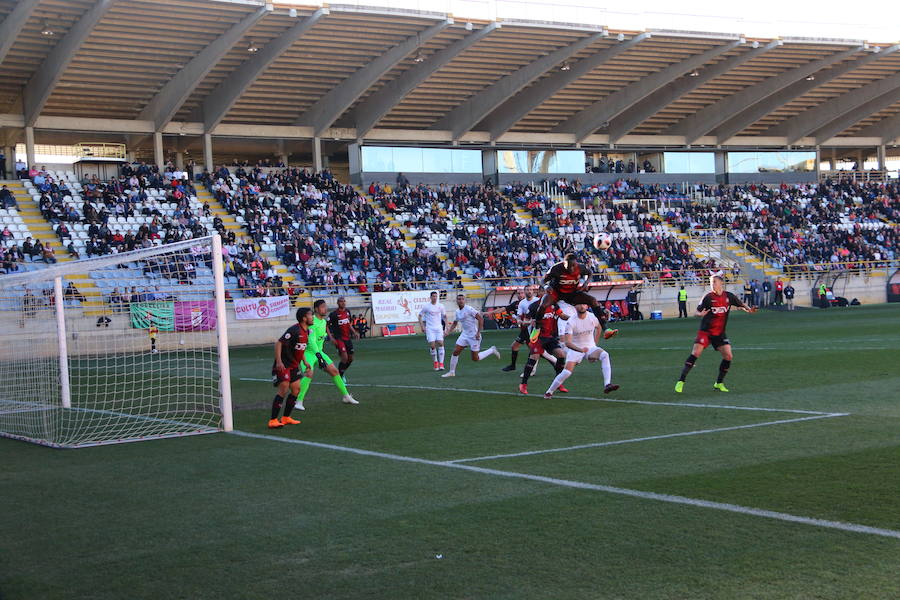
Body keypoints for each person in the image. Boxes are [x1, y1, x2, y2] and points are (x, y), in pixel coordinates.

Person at [675, 275, 757, 394]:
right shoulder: (708, 297)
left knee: (728, 356)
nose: (712, 284)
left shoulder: (729, 296)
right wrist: (699, 314)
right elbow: (697, 311)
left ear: (721, 284)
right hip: (706, 331)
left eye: (714, 282)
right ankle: (681, 381)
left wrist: (749, 309)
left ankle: (719, 383)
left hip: (719, 333)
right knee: (696, 353)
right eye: (711, 282)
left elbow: (741, 305)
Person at [544, 303, 619, 399]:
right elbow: (568, 343)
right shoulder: (571, 321)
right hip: (575, 349)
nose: (582, 306)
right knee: (566, 372)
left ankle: (607, 384)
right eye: (579, 304)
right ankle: (549, 392)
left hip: (589, 347)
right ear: (575, 307)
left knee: (605, 355)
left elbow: (599, 327)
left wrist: (594, 345)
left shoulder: (592, 317)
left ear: (587, 306)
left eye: (584, 304)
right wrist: (581, 350)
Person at [536, 253, 618, 339]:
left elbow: (590, 272)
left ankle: (606, 329)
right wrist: (546, 286)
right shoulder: (556, 268)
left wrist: (586, 283)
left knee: (592, 300)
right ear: (564, 263)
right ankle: (537, 328)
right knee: (543, 305)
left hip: (572, 293)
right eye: (569, 266)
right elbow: (542, 281)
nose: (572, 268)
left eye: (574, 265)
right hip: (556, 292)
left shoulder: (580, 268)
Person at [304, 299, 358, 406]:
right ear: (316, 309)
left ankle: (346, 396)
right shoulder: (312, 320)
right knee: (309, 374)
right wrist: (331, 339)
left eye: (326, 306)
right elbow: (311, 341)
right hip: (309, 353)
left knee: (336, 370)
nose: (325, 308)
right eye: (323, 306)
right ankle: (298, 400)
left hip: (321, 351)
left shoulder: (324, 321)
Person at [268, 307, 313, 429]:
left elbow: (300, 348)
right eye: (310, 315)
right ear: (304, 318)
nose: (312, 317)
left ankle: (286, 417)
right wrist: (278, 362)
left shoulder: (307, 331)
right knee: (284, 388)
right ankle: (273, 420)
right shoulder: (294, 330)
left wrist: (305, 361)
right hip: (284, 364)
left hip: (293, 365)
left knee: (296, 389)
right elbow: (279, 343)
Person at [441, 294, 501, 378]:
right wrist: (448, 332)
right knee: (456, 351)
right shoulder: (457, 311)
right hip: (464, 334)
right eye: (459, 299)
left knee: (475, 358)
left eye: (462, 299)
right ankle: (452, 372)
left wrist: (478, 333)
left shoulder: (469, 309)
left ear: (465, 300)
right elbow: (455, 323)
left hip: (474, 335)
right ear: (456, 301)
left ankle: (491, 350)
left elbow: (480, 318)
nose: (461, 300)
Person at [518, 299, 569, 395]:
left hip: (550, 336)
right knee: (534, 358)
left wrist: (574, 318)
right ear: (542, 293)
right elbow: (524, 322)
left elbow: (562, 315)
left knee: (561, 355)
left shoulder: (554, 304)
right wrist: (531, 322)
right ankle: (523, 384)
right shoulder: (533, 306)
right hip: (537, 336)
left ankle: (558, 383)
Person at [502, 285, 540, 372]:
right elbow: (519, 316)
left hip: (535, 329)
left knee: (535, 350)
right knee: (516, 347)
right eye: (527, 290)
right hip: (525, 328)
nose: (529, 291)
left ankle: (531, 368)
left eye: (530, 290)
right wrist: (517, 319)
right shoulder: (521, 303)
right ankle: (514, 366)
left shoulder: (537, 301)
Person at [327, 296, 359, 378]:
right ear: (337, 303)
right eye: (341, 301)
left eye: (344, 301)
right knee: (344, 358)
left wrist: (354, 332)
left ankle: (342, 372)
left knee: (350, 359)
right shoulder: (333, 314)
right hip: (339, 339)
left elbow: (348, 324)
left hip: (347, 338)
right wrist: (331, 337)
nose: (343, 303)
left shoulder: (348, 312)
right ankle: (340, 376)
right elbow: (326, 326)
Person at [418, 291, 447, 370]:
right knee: (432, 345)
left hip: (439, 328)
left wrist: (446, 327)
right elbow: (420, 316)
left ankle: (441, 364)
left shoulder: (440, 306)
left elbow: (444, 316)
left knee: (441, 343)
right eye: (433, 296)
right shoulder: (426, 306)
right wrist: (422, 326)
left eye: (436, 296)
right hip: (430, 328)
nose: (435, 298)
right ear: (430, 297)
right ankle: (435, 362)